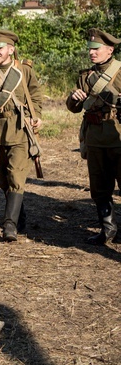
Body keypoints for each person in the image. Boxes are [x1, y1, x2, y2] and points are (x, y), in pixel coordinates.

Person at [0, 30, 43, 241]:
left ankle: (9, 225)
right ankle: (19, 216)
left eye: (0, 49)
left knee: (16, 176)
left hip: (20, 130)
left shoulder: (23, 70)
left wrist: (37, 115)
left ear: (11, 50)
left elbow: (35, 95)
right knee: (4, 180)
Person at [66, 28, 121, 245]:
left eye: (96, 49)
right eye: (89, 49)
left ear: (109, 50)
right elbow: (73, 108)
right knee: (99, 187)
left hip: (118, 137)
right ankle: (108, 230)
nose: (91, 53)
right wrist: (74, 98)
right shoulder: (85, 77)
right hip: (95, 138)